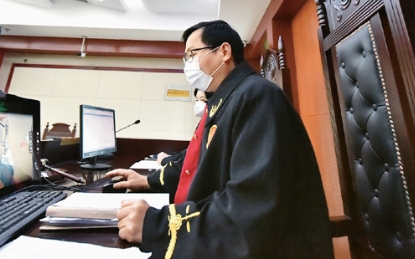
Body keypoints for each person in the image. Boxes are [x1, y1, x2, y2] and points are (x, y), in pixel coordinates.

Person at [107, 20, 333, 258]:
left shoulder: (257, 96)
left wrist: (158, 226)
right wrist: (150, 182)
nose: (188, 65)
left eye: (192, 54)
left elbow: (252, 204)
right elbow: (200, 162)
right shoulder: (226, 100)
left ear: (224, 51)